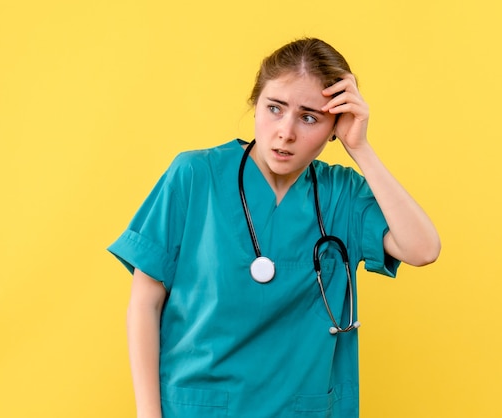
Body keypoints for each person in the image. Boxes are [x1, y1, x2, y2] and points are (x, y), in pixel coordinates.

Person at [108, 37, 440, 417]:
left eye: (310, 117)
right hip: (199, 407)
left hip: (303, 408)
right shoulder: (195, 176)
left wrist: (360, 148)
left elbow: (423, 250)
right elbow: (144, 304)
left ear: (335, 126)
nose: (286, 132)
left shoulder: (342, 194)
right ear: (255, 105)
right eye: (275, 109)